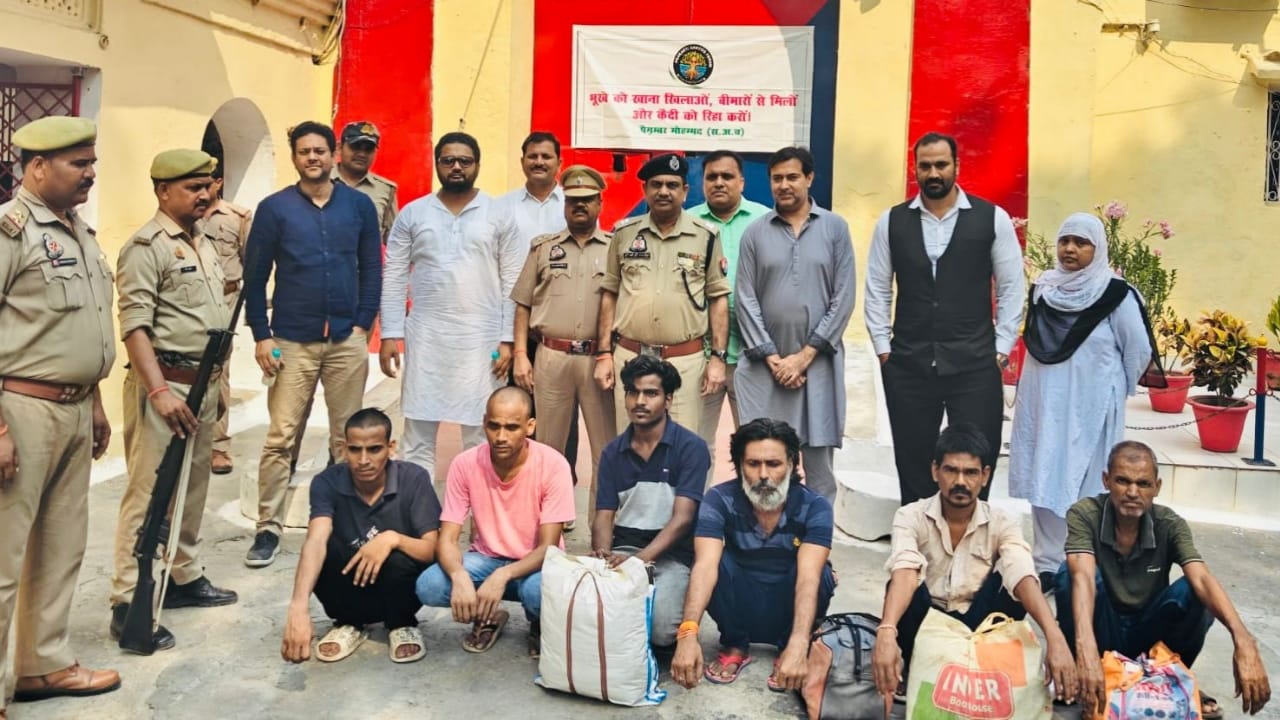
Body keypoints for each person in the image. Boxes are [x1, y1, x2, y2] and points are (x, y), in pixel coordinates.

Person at [0, 116, 120, 710]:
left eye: (92, 162)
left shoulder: (79, 231)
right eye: (79, 163)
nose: (91, 173)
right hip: (20, 410)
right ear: (38, 167)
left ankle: (41, 665)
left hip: (73, 409)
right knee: (3, 555)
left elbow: (81, 327)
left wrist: (94, 402)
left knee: (61, 545)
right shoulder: (10, 230)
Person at [110, 149, 239, 651]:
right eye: (193, 187)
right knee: (149, 493)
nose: (205, 195)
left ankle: (183, 574)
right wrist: (159, 391)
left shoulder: (203, 240)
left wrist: (217, 388)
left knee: (193, 486)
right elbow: (135, 328)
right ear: (163, 191)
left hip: (203, 384)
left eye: (208, 186)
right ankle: (127, 601)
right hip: (165, 386)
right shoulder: (146, 247)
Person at [242, 120, 382, 568]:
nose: (313, 158)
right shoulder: (274, 209)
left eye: (320, 150)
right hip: (291, 340)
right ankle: (268, 526)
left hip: (345, 340)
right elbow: (254, 277)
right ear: (295, 157)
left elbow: (371, 268)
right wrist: (261, 335)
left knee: (348, 439)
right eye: (304, 151)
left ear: (333, 153)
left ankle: (344, 523)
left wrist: (363, 324)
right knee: (281, 436)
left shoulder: (358, 206)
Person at [864, 131, 1025, 506]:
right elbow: (878, 288)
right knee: (913, 457)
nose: (933, 173)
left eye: (941, 164)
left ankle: (974, 534)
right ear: (915, 169)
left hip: (975, 362)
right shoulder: (892, 222)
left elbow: (1011, 287)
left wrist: (1001, 349)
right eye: (925, 166)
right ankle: (917, 535)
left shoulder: (991, 218)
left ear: (957, 166)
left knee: (976, 455)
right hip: (909, 362)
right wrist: (884, 350)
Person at [1059, 441, 1271, 719]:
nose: (1132, 492)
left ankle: (1171, 677)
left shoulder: (1169, 524)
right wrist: (1085, 647)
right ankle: (1091, 675)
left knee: (1195, 592)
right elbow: (1083, 576)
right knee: (1068, 575)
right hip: (1101, 630)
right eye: (1122, 481)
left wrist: (1243, 638)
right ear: (1106, 480)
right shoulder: (1084, 513)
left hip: (1148, 636)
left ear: (1157, 487)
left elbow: (1202, 577)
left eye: (1143, 484)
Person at [872, 423, 1075, 704]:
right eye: (951, 470)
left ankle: (983, 674)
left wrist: (1055, 637)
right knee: (901, 582)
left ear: (985, 476)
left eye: (970, 473)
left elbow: (1022, 572)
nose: (960, 481)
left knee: (1015, 585)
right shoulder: (910, 516)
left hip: (980, 629)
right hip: (926, 625)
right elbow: (905, 569)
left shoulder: (1002, 522)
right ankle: (914, 669)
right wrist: (886, 631)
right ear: (935, 471)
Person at [1009, 213, 1155, 586]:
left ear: (1098, 248)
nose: (1070, 249)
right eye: (1064, 241)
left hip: (1092, 409)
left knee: (1089, 483)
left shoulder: (1116, 294)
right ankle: (1047, 563)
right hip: (1046, 405)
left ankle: (1082, 563)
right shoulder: (1044, 288)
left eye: (1081, 242)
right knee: (1044, 475)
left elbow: (1138, 349)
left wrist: (1114, 386)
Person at [380, 132, 524, 476]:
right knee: (418, 434)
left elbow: (512, 282)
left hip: (482, 341)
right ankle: (420, 508)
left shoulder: (499, 213)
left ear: (477, 165)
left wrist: (507, 340)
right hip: (427, 338)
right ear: (437, 164)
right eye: (448, 160)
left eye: (465, 161)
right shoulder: (414, 214)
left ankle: (477, 508)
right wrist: (389, 334)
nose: (456, 167)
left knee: (480, 433)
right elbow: (394, 275)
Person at [671, 418, 836, 693]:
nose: (763, 475)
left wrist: (799, 643)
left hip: (790, 602)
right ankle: (734, 644)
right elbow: (705, 567)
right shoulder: (718, 499)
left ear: (792, 464)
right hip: (739, 602)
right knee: (712, 561)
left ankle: (789, 646)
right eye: (753, 464)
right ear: (739, 465)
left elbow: (809, 577)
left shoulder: (816, 506)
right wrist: (687, 634)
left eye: (773, 464)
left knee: (822, 573)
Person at [735, 147, 856, 503]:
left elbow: (843, 298)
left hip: (818, 365)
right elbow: (745, 298)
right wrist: (774, 360)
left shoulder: (835, 229)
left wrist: (803, 358)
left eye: (792, 177)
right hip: (765, 370)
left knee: (819, 472)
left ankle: (816, 537)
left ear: (809, 178)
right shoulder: (755, 233)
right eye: (777, 179)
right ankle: (762, 535)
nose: (784, 185)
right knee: (763, 466)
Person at [415, 387, 575, 656]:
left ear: (530, 426)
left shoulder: (553, 464)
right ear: (484, 423)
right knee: (429, 586)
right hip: (485, 559)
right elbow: (448, 538)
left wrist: (502, 575)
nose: (501, 437)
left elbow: (548, 548)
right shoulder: (465, 464)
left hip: (536, 563)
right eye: (494, 426)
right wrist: (459, 577)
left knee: (538, 593)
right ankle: (487, 614)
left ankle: (539, 622)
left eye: (512, 427)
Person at [281, 409, 440, 665]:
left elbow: (432, 549)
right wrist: (298, 607)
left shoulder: (414, 478)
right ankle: (348, 623)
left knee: (402, 555)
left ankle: (401, 624)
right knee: (322, 548)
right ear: (344, 449)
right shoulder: (326, 482)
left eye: (374, 449)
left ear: (390, 448)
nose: (363, 460)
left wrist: (392, 539)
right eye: (355, 450)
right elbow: (316, 541)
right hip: (348, 586)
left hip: (398, 589)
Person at [595, 153, 730, 434]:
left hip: (684, 361)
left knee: (682, 443)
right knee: (631, 443)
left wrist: (718, 358)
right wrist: (604, 353)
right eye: (656, 184)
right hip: (630, 357)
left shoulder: (705, 236)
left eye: (672, 185)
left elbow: (717, 298)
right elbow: (610, 293)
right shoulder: (623, 233)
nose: (664, 191)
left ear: (685, 191)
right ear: (645, 189)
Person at [511, 164, 615, 527]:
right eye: (573, 201)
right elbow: (523, 304)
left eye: (588, 200)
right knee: (547, 448)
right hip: (551, 357)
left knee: (606, 448)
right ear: (565, 205)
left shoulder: (615, 249)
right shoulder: (543, 248)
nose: (580, 206)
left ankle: (601, 527)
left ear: (600, 204)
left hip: (598, 359)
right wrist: (521, 354)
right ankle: (549, 524)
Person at [591, 356, 708, 649]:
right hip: (624, 550)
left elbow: (683, 519)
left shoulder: (691, 448)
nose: (639, 401)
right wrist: (603, 558)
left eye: (651, 393)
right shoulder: (612, 452)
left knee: (661, 633)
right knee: (591, 612)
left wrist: (640, 561)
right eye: (633, 392)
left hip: (672, 556)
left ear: (668, 400)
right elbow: (604, 515)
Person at [688, 150, 769, 478]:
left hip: (753, 356)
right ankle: (697, 507)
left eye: (727, 176)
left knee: (756, 446)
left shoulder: (764, 221)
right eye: (712, 177)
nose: (719, 183)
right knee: (696, 446)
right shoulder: (689, 222)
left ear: (742, 182)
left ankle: (752, 507)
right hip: (701, 355)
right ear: (702, 183)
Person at [202, 162, 253, 476]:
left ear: (219, 182)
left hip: (226, 298)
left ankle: (217, 445)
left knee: (218, 371)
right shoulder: (186, 215)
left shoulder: (238, 217)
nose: (200, 190)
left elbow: (251, 263)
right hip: (191, 299)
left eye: (206, 182)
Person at [333, 120, 398, 241]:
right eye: (355, 147)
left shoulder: (385, 189)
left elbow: (393, 239)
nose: (362, 154)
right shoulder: (322, 181)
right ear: (339, 147)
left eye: (369, 149)